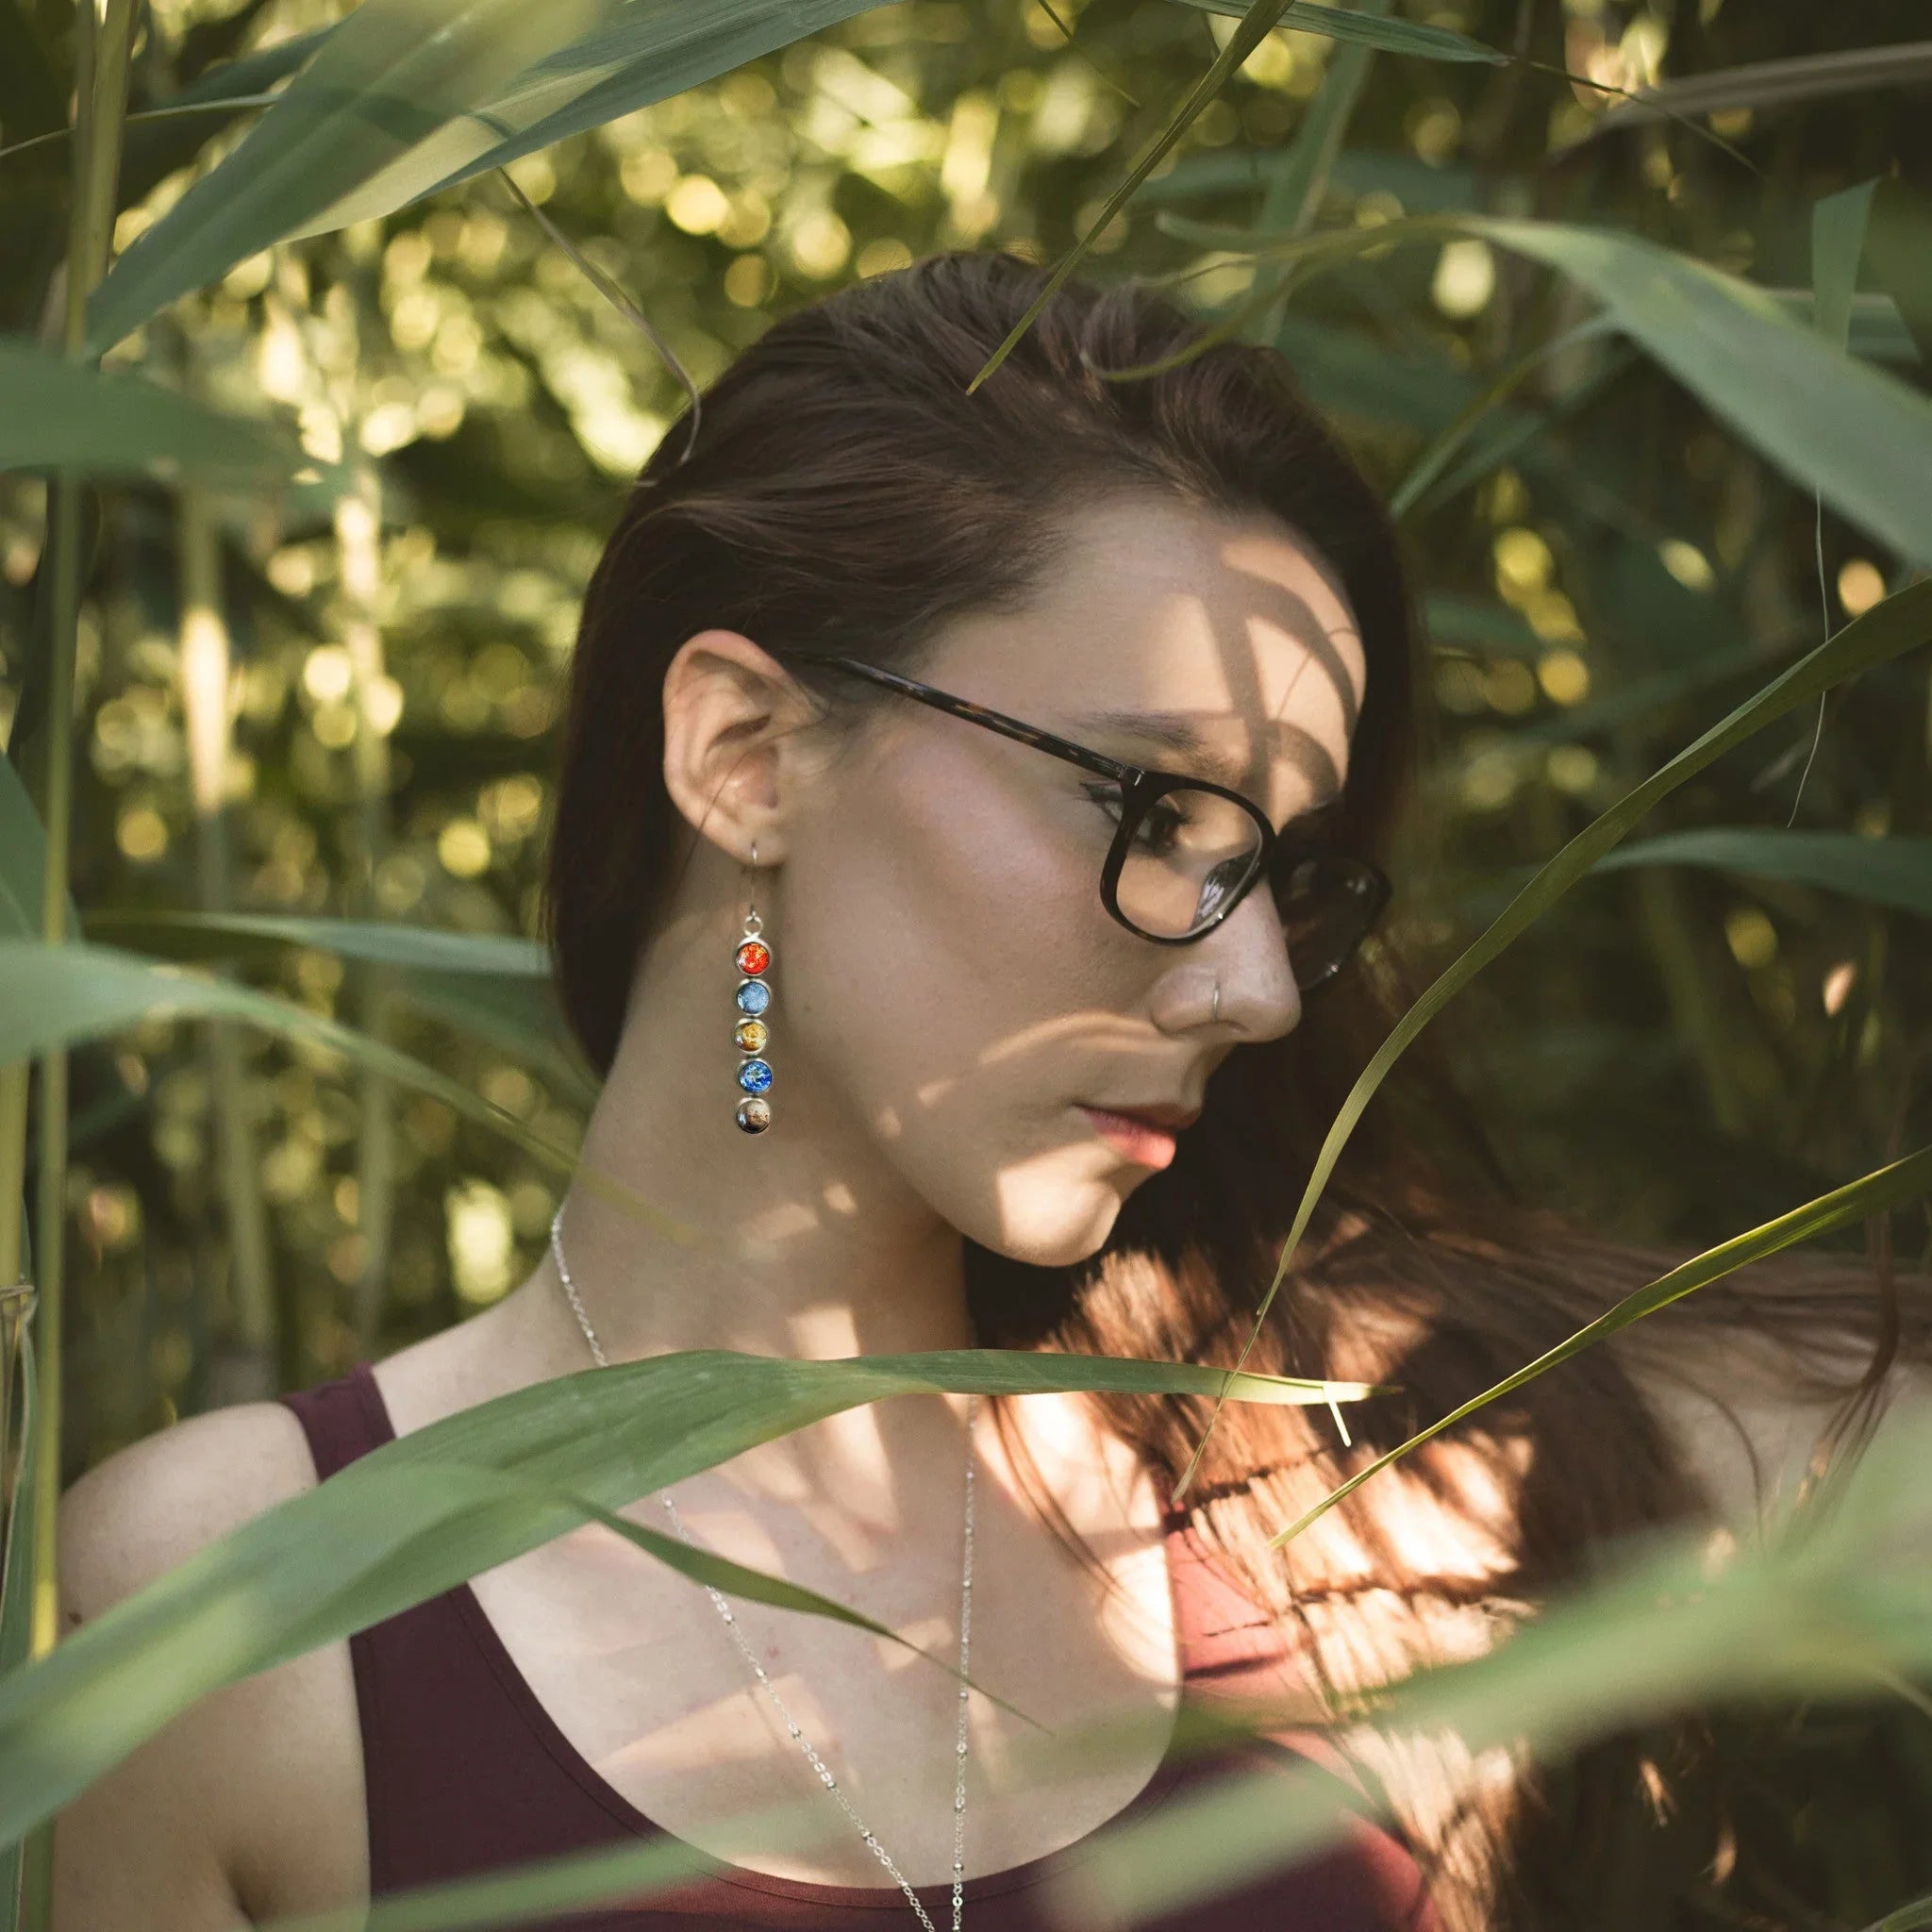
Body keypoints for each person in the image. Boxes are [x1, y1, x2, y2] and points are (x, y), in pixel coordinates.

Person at [48, 249, 1918, 1932]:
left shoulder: (1362, 1502)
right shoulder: (247, 1605)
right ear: (747, 750)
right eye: (1148, 809)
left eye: (1285, 870)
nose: (1257, 984)